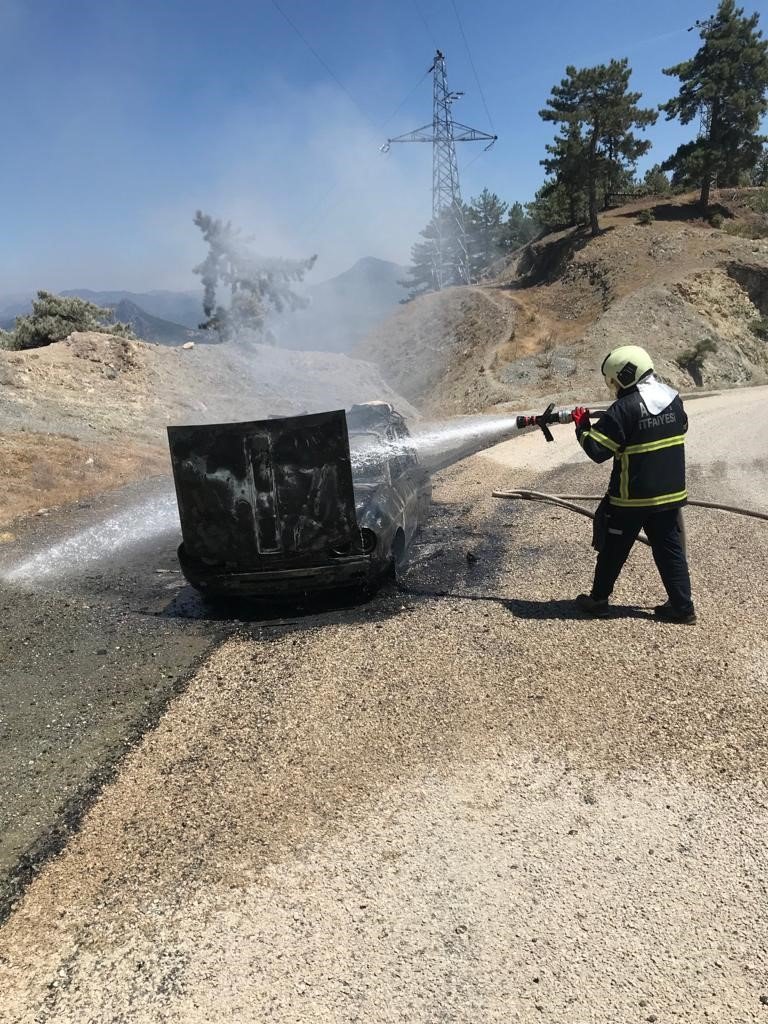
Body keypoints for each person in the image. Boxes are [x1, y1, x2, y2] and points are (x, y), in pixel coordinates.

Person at [572, 345, 696, 624]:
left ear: (625, 375)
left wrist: (582, 427)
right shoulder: (673, 399)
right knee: (669, 550)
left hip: (631, 498)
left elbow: (597, 450)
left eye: (614, 381)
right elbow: (681, 427)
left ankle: (598, 600)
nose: (614, 387)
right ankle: (683, 608)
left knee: (613, 550)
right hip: (669, 495)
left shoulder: (623, 409)